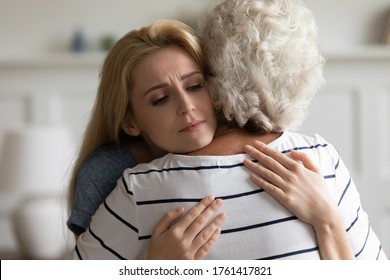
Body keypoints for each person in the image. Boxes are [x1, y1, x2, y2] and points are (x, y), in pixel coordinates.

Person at [69, 0, 385, 259]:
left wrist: (327, 220)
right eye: (161, 98)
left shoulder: (317, 162)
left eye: (195, 86)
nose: (186, 106)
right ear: (130, 122)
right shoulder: (129, 186)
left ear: (218, 84)